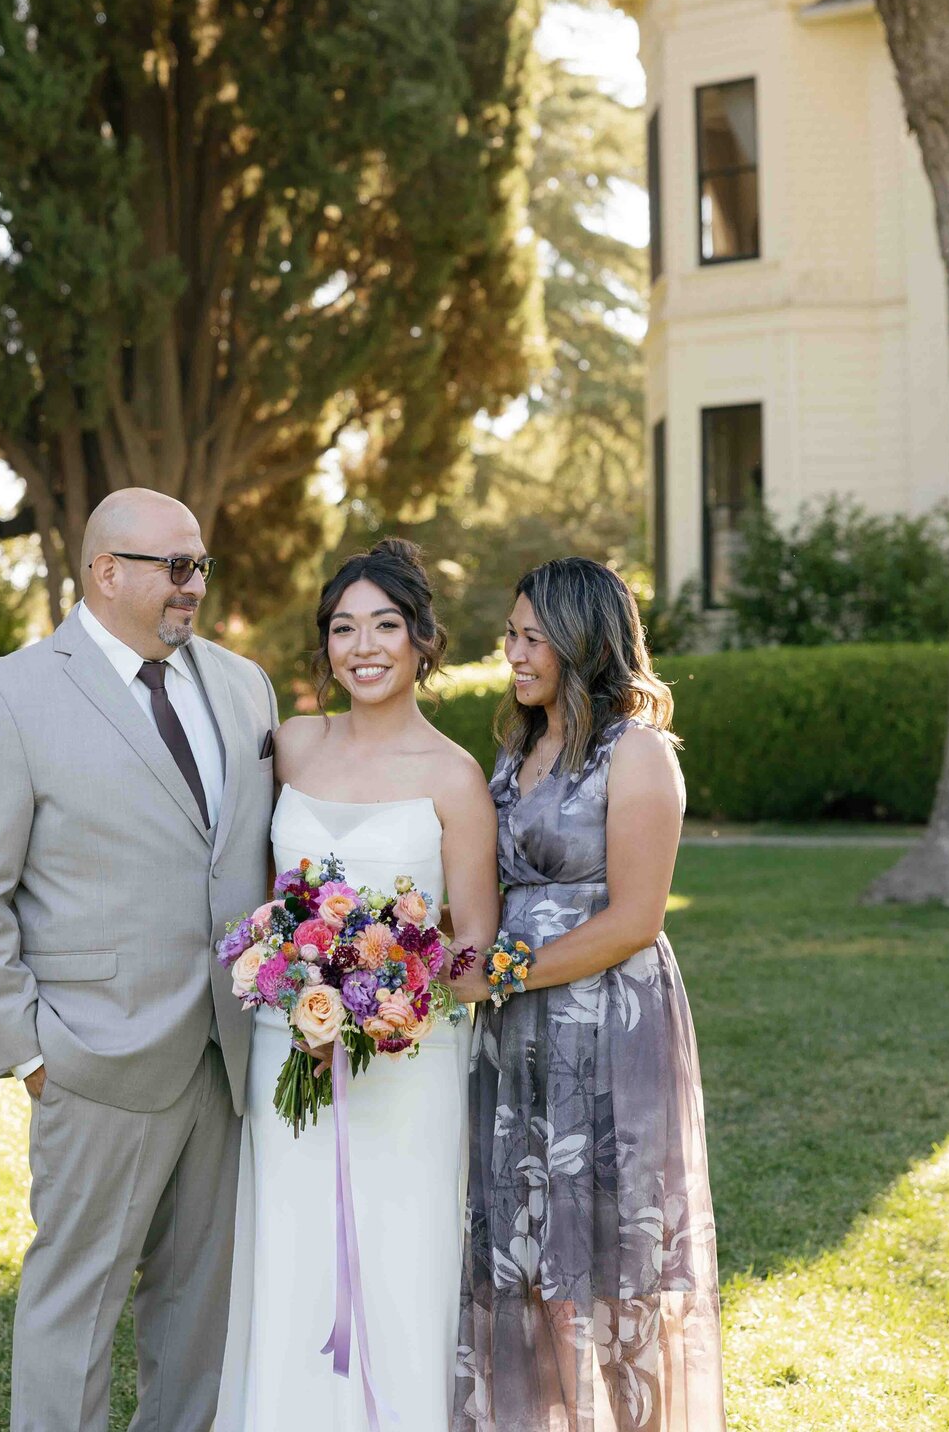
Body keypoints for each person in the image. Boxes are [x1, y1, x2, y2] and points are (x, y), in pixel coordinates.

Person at [0, 488, 278, 1432]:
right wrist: (27, 1050)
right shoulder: (10, 694)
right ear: (105, 571)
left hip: (229, 1056)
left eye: (199, 564)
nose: (192, 586)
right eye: (173, 566)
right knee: (74, 1309)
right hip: (92, 1059)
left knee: (203, 1316)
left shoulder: (245, 685)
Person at [217, 538, 500, 1432]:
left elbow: (478, 943)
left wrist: (399, 986)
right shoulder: (292, 747)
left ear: (422, 641)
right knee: (290, 1249)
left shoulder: (455, 777)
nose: (363, 646)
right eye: (343, 628)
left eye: (384, 625)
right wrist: (292, 961)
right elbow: (250, 887)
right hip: (284, 1049)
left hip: (408, 1064)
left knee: (400, 1251)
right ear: (325, 647)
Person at [454, 557, 725, 1432]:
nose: (514, 651)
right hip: (517, 1029)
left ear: (582, 640)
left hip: (606, 1024)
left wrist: (501, 973)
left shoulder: (636, 752)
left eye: (533, 636)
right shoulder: (516, 752)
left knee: (612, 1249)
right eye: (511, 633)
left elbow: (635, 920)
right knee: (525, 1240)